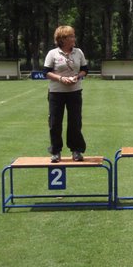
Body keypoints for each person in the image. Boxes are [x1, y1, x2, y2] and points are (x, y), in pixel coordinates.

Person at [43, 25, 88, 163]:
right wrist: (61, 78)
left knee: (75, 122)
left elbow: (85, 69)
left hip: (74, 92)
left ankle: (76, 151)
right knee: (55, 122)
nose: (74, 38)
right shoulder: (52, 53)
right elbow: (46, 72)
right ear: (62, 39)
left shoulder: (78, 52)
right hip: (56, 93)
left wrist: (77, 77)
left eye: (73, 35)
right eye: (71, 36)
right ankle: (56, 152)